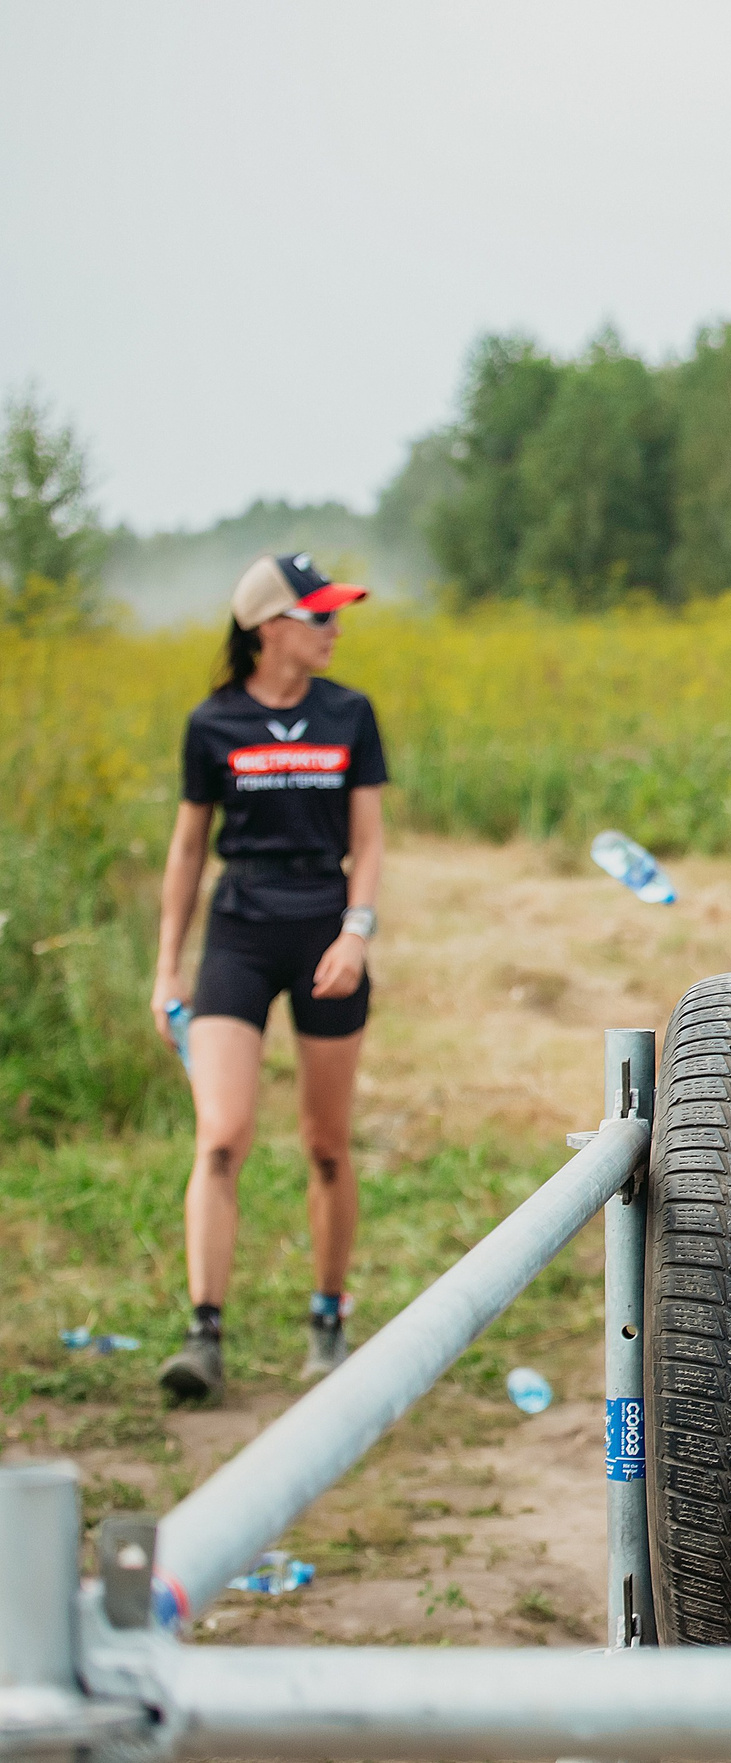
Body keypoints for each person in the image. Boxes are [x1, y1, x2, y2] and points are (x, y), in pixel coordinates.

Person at [151, 554, 386, 1405]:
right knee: (222, 1134)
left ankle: (328, 1320)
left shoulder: (349, 713)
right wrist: (165, 966)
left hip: (327, 932)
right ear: (268, 626)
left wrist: (356, 934)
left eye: (334, 614)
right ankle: (203, 1333)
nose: (334, 627)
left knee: (325, 1142)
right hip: (239, 935)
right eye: (319, 615)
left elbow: (371, 842)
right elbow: (186, 851)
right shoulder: (212, 724)